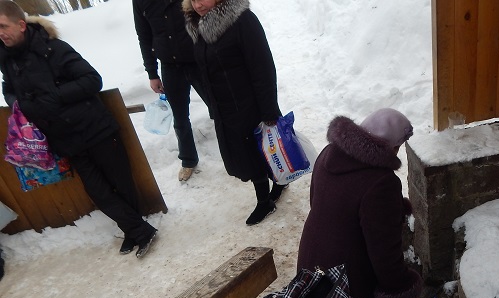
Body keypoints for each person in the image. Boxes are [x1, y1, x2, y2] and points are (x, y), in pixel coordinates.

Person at [0, 1, 157, 257]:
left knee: (121, 183)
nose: (0, 33)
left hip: (95, 128)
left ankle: (134, 230)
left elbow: (92, 80)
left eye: (2, 26)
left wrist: (53, 97)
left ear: (20, 25)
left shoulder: (53, 48)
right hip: (64, 138)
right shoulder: (6, 59)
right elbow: (9, 89)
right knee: (98, 191)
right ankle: (138, 229)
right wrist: (19, 104)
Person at [297, 108, 423, 298]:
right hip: (348, 279)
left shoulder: (328, 153)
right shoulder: (382, 183)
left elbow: (317, 201)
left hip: (312, 263)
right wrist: (402, 288)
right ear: (393, 147)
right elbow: (384, 250)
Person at [183, 0, 286, 225]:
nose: (198, 4)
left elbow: (263, 67)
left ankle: (264, 201)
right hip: (224, 107)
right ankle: (279, 181)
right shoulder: (198, 25)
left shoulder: (243, 20)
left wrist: (268, 109)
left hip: (250, 104)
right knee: (243, 154)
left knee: (255, 152)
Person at [133, 0, 210, 182]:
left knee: (219, 105)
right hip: (170, 67)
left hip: (199, 60)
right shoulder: (139, 2)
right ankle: (188, 160)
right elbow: (144, 36)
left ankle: (237, 145)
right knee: (180, 118)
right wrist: (152, 73)